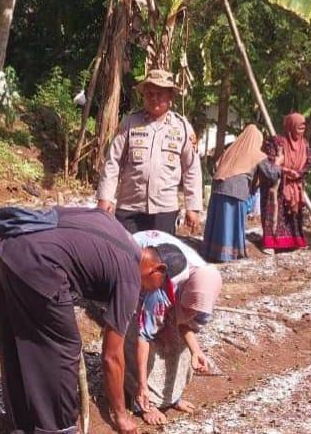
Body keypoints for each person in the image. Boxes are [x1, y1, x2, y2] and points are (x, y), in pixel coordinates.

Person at [0, 206, 165, 434]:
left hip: (6, 251)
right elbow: (111, 356)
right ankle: (57, 428)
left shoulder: (113, 227)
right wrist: (121, 415)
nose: (142, 294)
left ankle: (22, 421)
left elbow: (59, 216)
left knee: (18, 336)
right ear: (156, 269)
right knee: (65, 348)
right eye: (149, 289)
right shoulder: (131, 276)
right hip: (38, 265)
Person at [126, 230, 222, 425]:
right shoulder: (160, 288)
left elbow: (185, 322)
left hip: (164, 277)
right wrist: (142, 385)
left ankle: (171, 397)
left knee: (176, 341)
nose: (192, 312)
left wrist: (196, 351)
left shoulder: (202, 276)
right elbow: (143, 337)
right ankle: (144, 401)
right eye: (188, 308)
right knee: (142, 335)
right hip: (138, 272)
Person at [97, 69, 203, 235]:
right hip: (130, 208)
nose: (154, 98)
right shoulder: (130, 123)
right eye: (149, 94)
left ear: (170, 96)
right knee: (127, 250)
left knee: (160, 251)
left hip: (164, 210)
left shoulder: (182, 127)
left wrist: (193, 207)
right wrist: (105, 197)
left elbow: (192, 169)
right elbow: (113, 161)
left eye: (159, 94)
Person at [202, 125, 267, 262]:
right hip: (235, 190)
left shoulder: (231, 150)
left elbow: (215, 166)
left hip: (218, 188)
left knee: (218, 222)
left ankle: (212, 251)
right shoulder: (257, 154)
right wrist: (279, 161)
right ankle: (227, 254)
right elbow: (270, 173)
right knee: (230, 224)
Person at [258, 113, 311, 254]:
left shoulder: (305, 144)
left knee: (293, 216)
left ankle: (293, 242)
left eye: (303, 127)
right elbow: (268, 162)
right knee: (274, 214)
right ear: (290, 126)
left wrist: (299, 173)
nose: (302, 130)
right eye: (298, 127)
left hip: (295, 185)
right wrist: (285, 171)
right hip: (277, 185)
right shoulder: (277, 142)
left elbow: (309, 163)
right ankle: (271, 244)